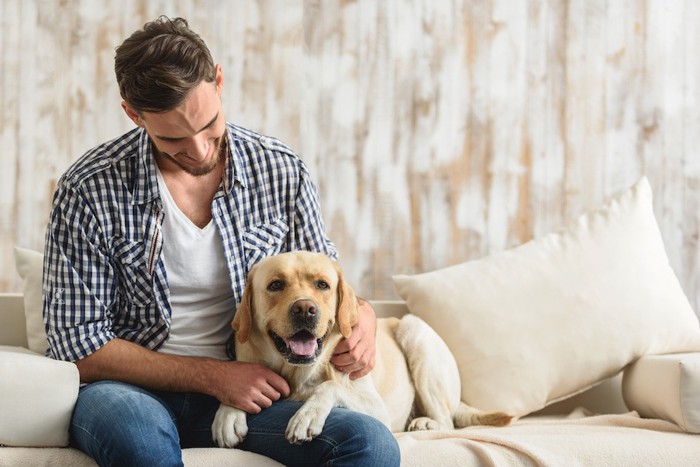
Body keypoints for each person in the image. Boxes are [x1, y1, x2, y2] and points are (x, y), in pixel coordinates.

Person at [43, 15, 400, 467]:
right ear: (133, 114)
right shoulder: (89, 188)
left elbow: (322, 280)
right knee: (137, 438)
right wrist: (216, 376)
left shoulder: (280, 171)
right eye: (172, 137)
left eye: (209, 124)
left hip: (258, 395)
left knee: (369, 443)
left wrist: (364, 316)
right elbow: (78, 344)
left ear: (219, 81)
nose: (198, 150)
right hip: (129, 394)